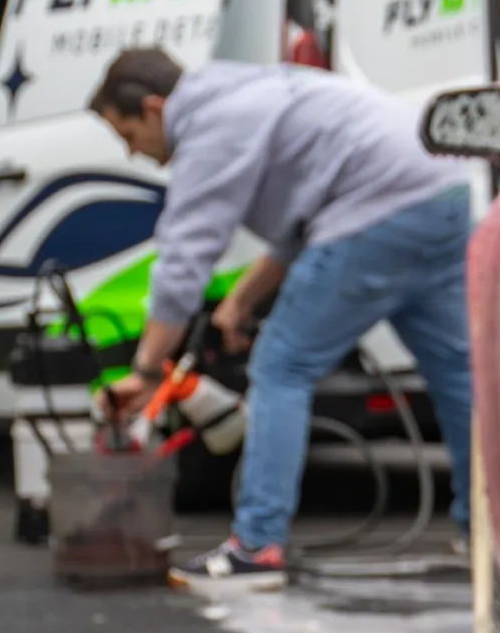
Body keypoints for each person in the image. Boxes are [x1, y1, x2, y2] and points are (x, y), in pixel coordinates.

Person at [86, 48, 475, 589]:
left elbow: (183, 259)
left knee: (280, 366)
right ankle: (485, 532)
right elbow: (306, 218)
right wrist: (242, 300)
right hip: (442, 194)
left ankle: (257, 545)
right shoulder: (255, 91)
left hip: (379, 209)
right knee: (459, 373)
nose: (134, 153)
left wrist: (148, 370)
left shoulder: (211, 126)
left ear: (154, 108)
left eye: (127, 135)